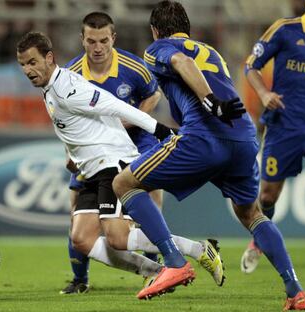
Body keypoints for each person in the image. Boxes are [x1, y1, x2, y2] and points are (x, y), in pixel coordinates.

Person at [112, 1, 305, 309]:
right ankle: (295, 291)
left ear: (154, 30)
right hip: (243, 136)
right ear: (187, 27)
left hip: (205, 135)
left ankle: (175, 261)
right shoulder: (211, 51)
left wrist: (210, 103)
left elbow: (180, 61)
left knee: (124, 184)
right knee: (251, 214)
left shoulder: (159, 48)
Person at [16, 31, 224, 297]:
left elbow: (114, 105)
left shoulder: (67, 87)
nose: (27, 70)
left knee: (117, 238)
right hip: (90, 168)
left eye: (32, 62)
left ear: (49, 58)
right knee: (82, 239)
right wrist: (74, 155)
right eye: (23, 64)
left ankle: (198, 250)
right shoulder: (50, 89)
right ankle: (158, 272)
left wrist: (158, 129)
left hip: (111, 162)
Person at [60, 11, 162, 295]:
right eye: (91, 41)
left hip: (134, 144)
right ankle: (80, 280)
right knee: (76, 210)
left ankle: (156, 272)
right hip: (93, 151)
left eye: (103, 40)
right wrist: (70, 151)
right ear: (82, 39)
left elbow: (154, 94)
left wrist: (133, 118)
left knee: (149, 202)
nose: (98, 47)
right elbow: (65, 118)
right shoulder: (69, 76)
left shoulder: (134, 68)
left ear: (113, 38)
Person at [240, 0, 305, 280]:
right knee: (268, 195)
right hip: (284, 126)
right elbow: (251, 66)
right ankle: (260, 239)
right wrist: (263, 94)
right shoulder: (284, 30)